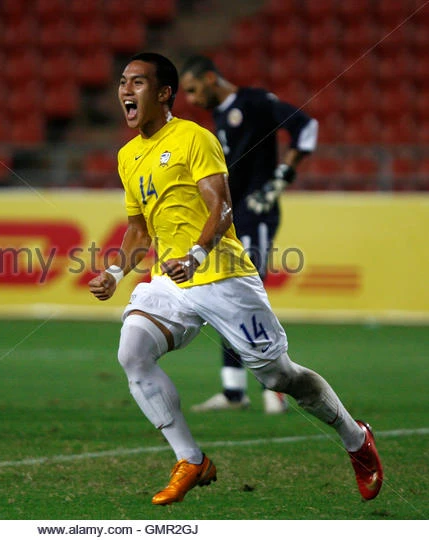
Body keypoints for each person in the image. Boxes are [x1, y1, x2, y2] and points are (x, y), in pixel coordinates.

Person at [88, 52, 382, 505]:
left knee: (280, 377)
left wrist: (196, 254)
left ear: (164, 93)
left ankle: (356, 439)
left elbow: (222, 207)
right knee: (133, 351)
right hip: (171, 281)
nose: (125, 90)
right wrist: (114, 271)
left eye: (138, 82)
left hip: (222, 275)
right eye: (123, 82)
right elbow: (139, 230)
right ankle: (191, 460)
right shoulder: (128, 156)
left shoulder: (194, 138)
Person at [179, 54, 319, 414]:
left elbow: (306, 126)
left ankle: (276, 385)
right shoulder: (220, 115)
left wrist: (282, 177)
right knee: (228, 293)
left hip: (256, 213)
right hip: (230, 217)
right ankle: (233, 391)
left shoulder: (254, 101)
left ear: (210, 79)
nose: (191, 100)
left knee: (247, 293)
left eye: (193, 90)